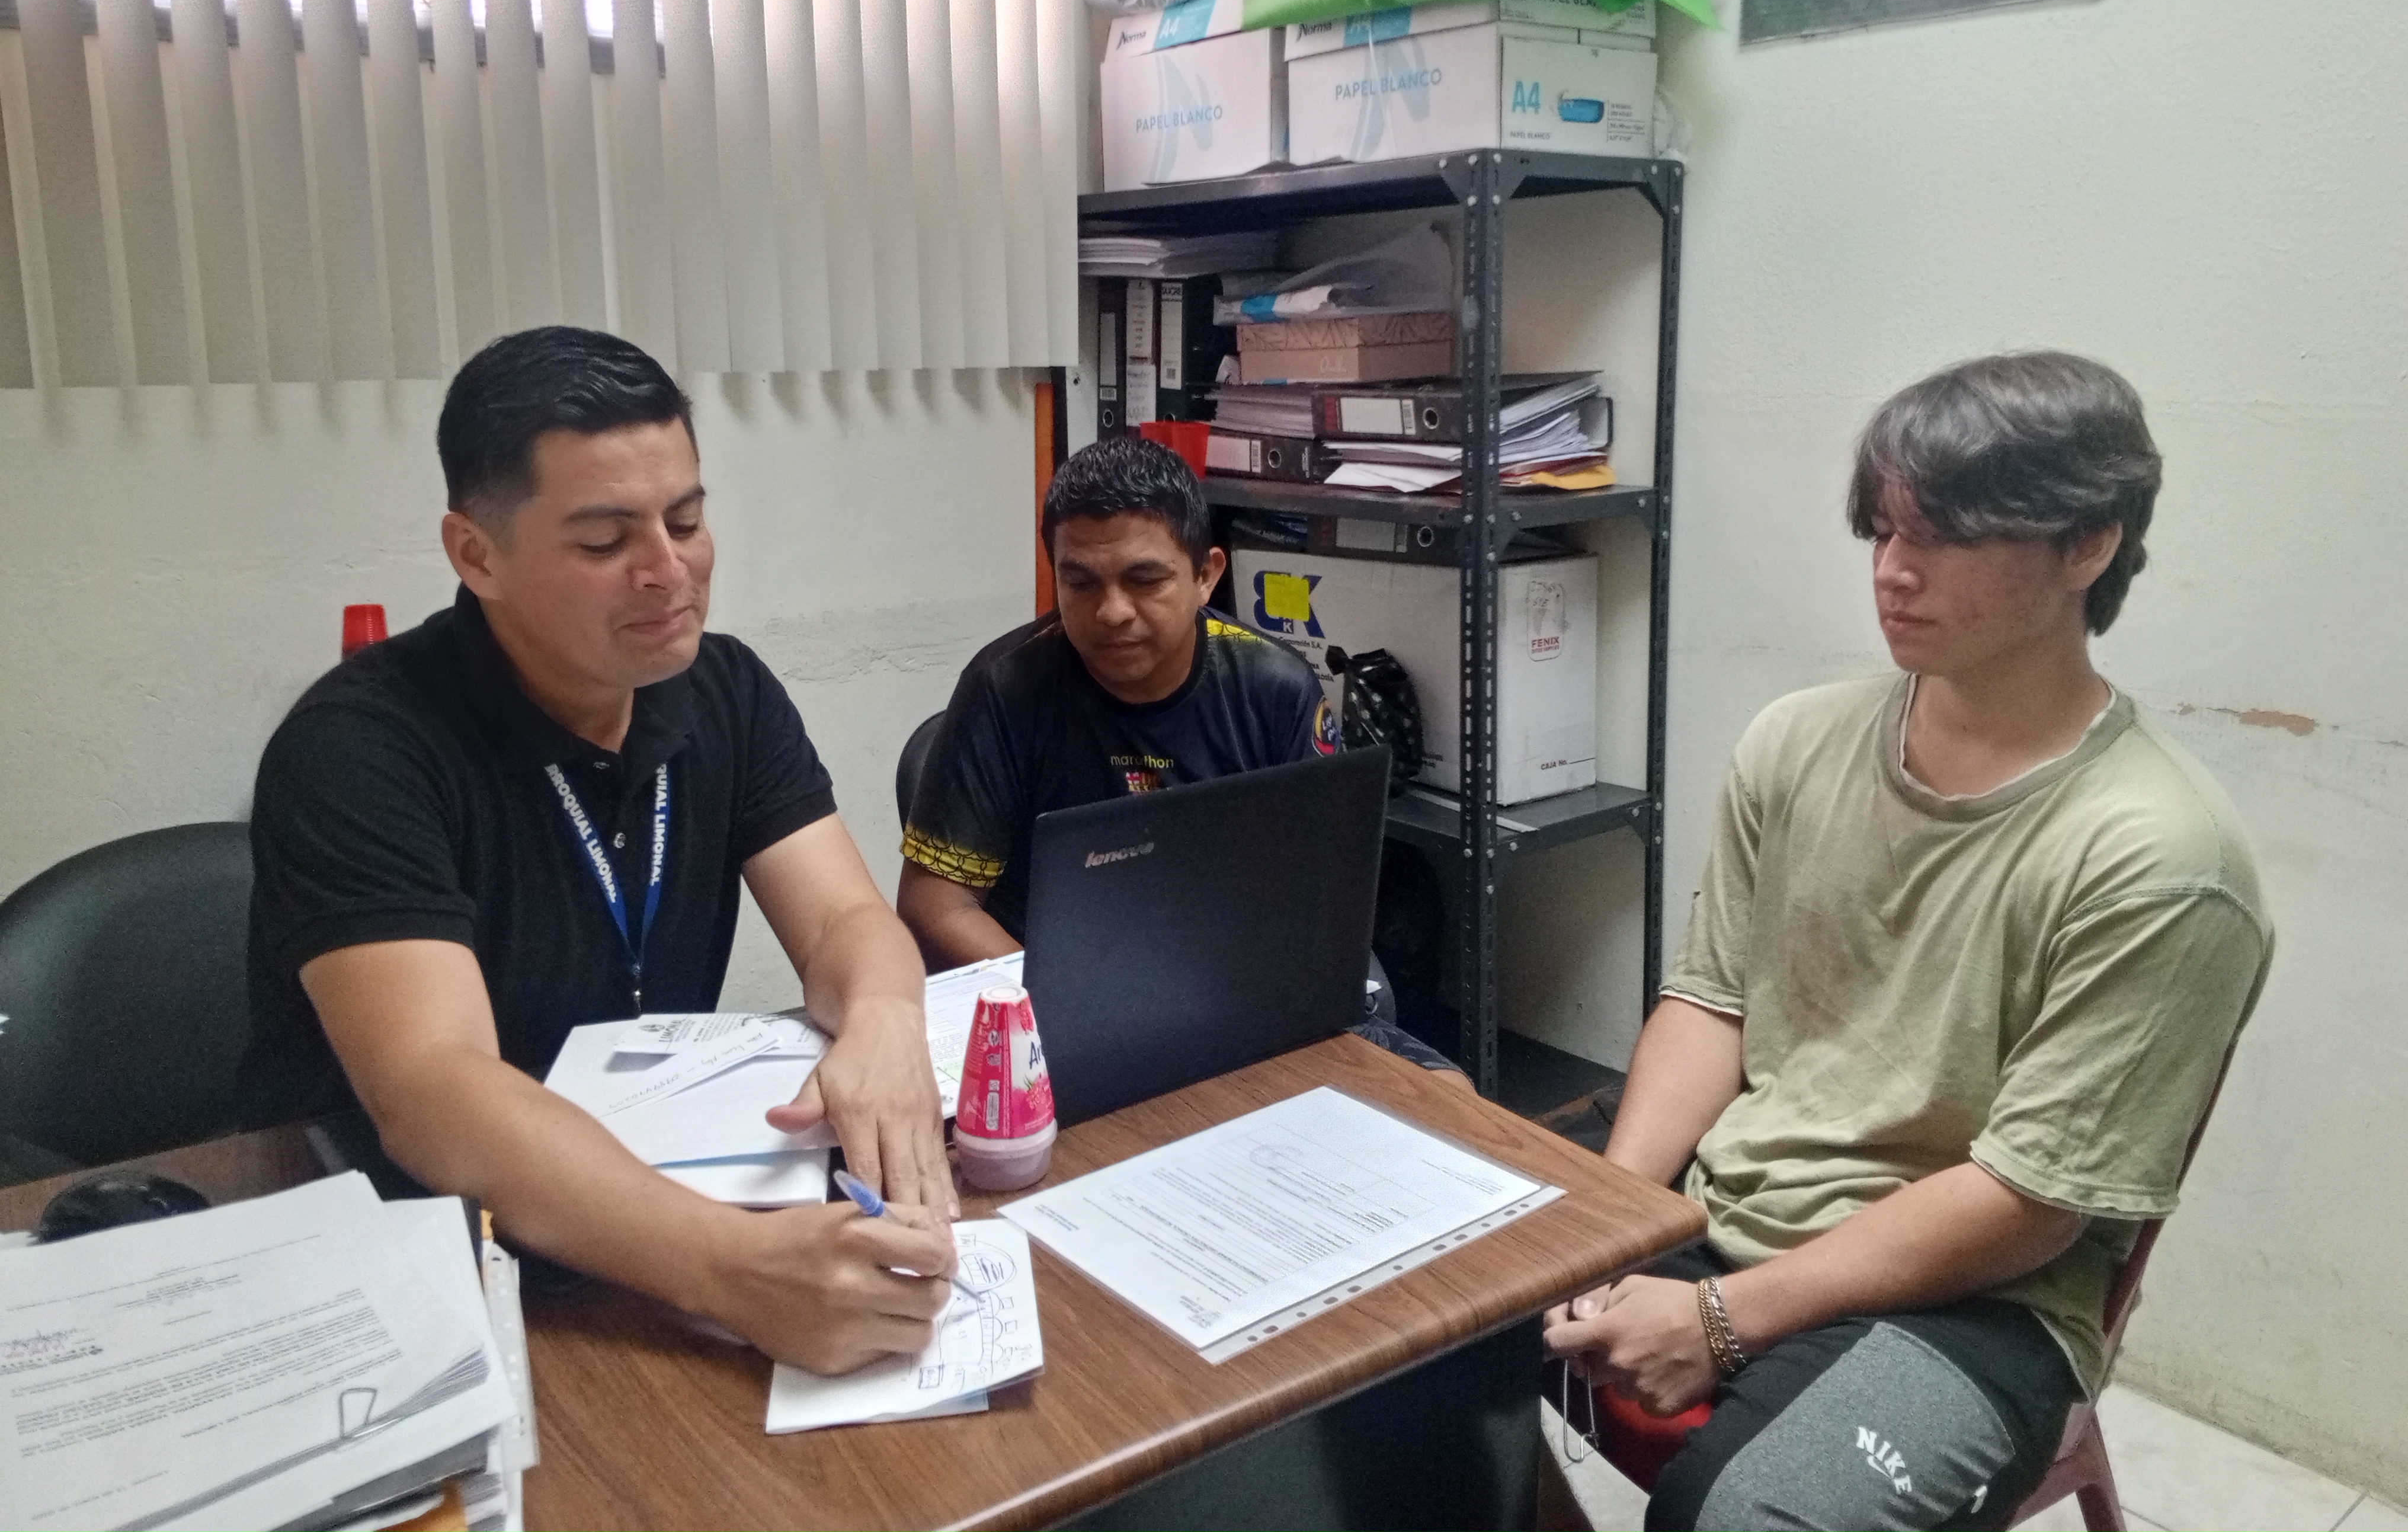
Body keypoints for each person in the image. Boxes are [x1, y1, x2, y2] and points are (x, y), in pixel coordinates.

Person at [1545, 353, 2272, 1531]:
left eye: (1943, 537)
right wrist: (1608, 1220)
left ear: (2087, 544)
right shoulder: (1795, 743)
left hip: (1975, 1302)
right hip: (1728, 1200)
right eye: (1882, 530)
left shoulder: (2162, 857)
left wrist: (1722, 1320)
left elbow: (2027, 1201)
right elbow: (1712, 1000)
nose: (1891, 569)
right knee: (1395, 1335)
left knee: (1740, 1519)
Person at [236, 327, 956, 1377]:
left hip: (643, 1204)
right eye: (605, 541)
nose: (668, 571)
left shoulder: (725, 691)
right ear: (476, 553)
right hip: (401, 1253)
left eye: (687, 521)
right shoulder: (358, 748)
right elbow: (434, 1089)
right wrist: (734, 1269)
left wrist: (886, 1018)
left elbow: (846, 917)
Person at [894, 435, 1458, 1075]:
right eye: (1080, 582)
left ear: (1206, 575)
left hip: (1232, 992)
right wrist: (1067, 999)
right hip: (1054, 1016)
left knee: (1447, 1094)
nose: (1112, 612)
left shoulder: (1273, 689)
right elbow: (935, 905)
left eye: (1145, 580)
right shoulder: (1006, 687)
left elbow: (1317, 902)